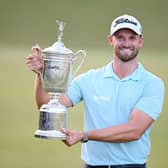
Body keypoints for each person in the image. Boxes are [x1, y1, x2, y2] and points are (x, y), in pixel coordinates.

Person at [26, 14, 165, 168]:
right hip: (93, 165)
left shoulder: (152, 84)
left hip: (132, 165)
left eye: (132, 37)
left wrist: (85, 135)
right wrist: (41, 74)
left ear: (141, 41)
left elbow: (134, 131)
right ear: (110, 40)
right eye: (120, 37)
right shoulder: (89, 79)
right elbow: (47, 104)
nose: (126, 43)